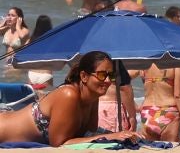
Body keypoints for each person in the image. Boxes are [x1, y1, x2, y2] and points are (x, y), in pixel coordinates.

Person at [0, 51, 139, 146]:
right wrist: (109, 136)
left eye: (112, 75)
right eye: (102, 75)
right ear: (84, 76)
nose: (109, 81)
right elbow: (59, 143)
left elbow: (88, 133)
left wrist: (121, 134)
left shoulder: (93, 97)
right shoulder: (68, 94)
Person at [139, 57, 180, 142]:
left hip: (147, 112)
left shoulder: (144, 64)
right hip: (168, 112)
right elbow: (178, 95)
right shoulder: (177, 63)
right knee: (170, 150)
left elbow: (122, 81)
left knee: (152, 151)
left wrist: (134, 107)